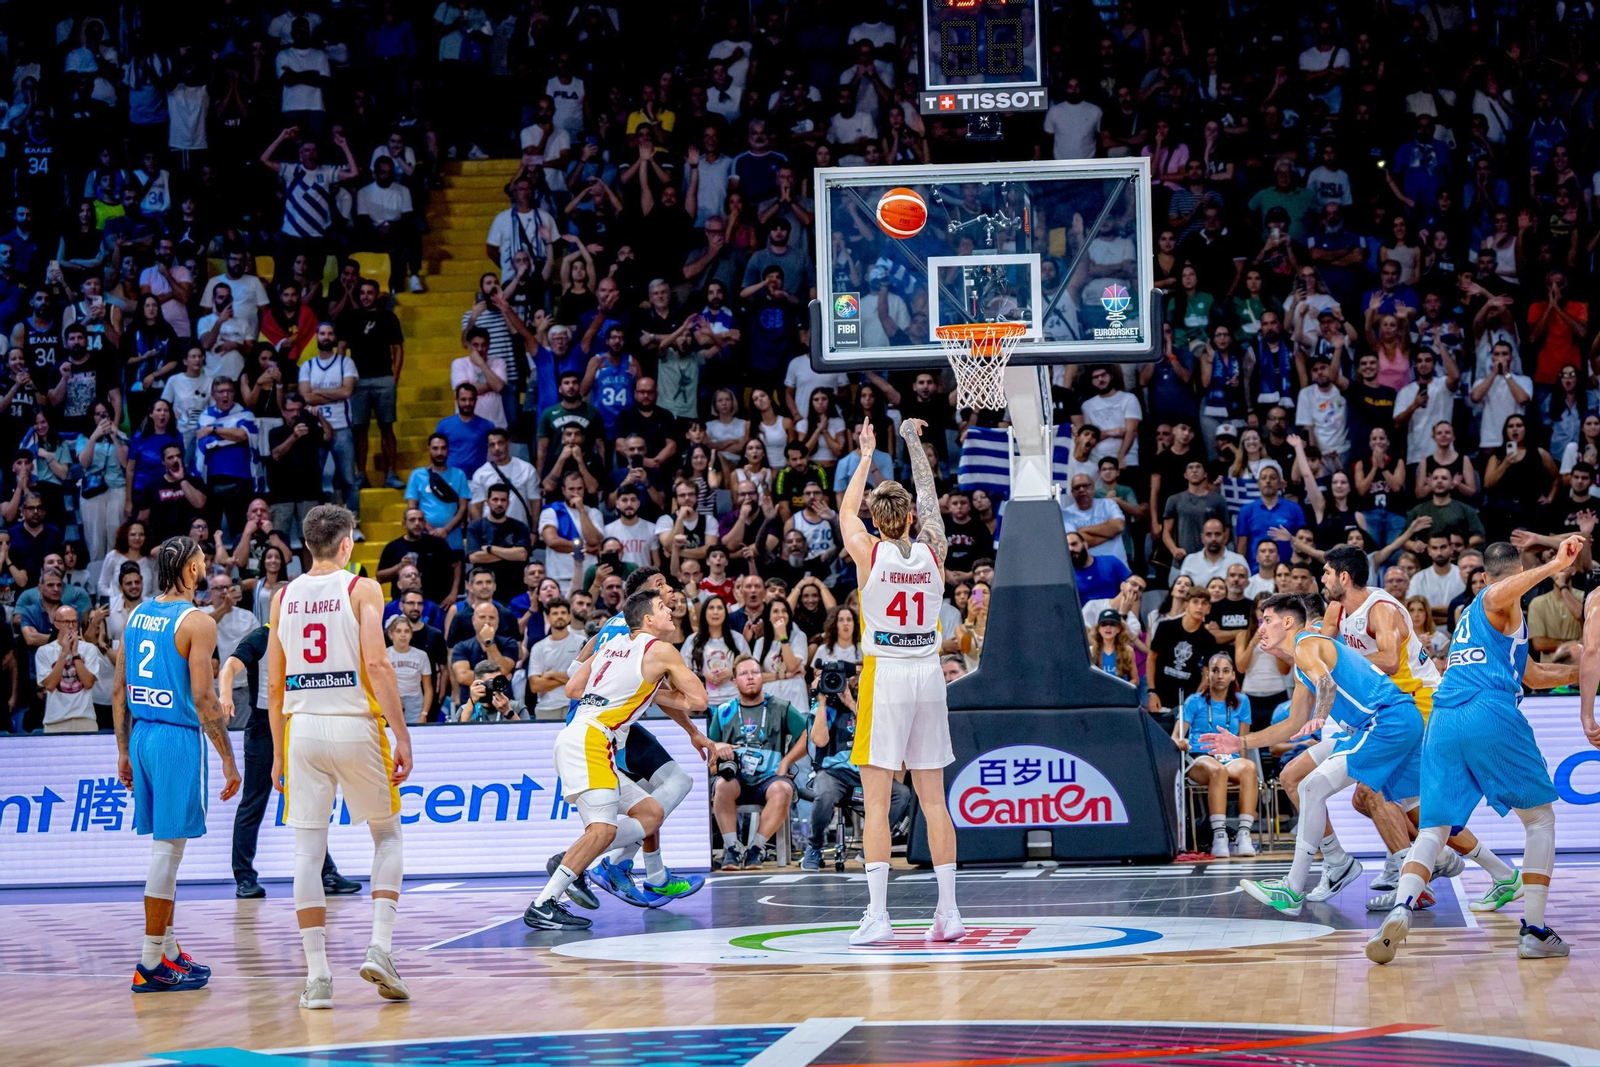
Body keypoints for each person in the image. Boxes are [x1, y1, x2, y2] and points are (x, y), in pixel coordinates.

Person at [1372, 537, 1588, 963]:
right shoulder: (1494, 597)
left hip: (1444, 719)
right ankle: (1535, 932)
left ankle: (1401, 907)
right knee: (1540, 817)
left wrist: (1586, 672)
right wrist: (1553, 565)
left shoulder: (1486, 621)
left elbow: (1534, 674)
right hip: (1485, 708)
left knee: (1435, 828)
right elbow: (1500, 591)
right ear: (1506, 574)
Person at [268, 505, 413, 1007]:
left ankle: (317, 978)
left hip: (301, 728)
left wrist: (278, 756)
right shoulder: (362, 589)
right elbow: (377, 662)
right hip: (354, 723)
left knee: (307, 854)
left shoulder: (281, 595)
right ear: (348, 543)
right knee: (387, 834)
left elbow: (273, 683)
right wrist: (403, 735)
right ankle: (379, 947)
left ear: (308, 545)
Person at [1206, 593, 1424, 917]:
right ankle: (1338, 862)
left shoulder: (1307, 643)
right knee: (1292, 776)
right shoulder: (1299, 666)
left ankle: (1294, 887)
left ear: (1288, 622)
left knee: (1314, 787)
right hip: (1373, 725)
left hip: (1386, 722)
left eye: (1267, 620)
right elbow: (1292, 724)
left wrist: (1321, 713)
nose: (1261, 628)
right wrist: (1241, 743)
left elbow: (1327, 685)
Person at [838, 416, 962, 946]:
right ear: (910, 516)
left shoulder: (867, 550)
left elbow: (846, 509)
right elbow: (931, 494)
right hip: (929, 675)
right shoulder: (933, 547)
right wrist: (912, 440)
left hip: (885, 676)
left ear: (876, 518)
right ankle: (949, 913)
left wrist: (867, 454)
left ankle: (879, 915)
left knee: (877, 798)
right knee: (934, 800)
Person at [524, 588, 711, 930]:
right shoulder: (662, 650)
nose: (670, 610)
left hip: (581, 735)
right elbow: (698, 699)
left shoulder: (610, 644)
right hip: (592, 740)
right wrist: (661, 691)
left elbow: (573, 689)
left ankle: (577, 861)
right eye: (662, 607)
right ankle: (545, 901)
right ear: (648, 619)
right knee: (602, 831)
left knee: (651, 813)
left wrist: (647, 690)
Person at [114, 535, 240, 992]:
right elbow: (206, 698)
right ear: (190, 570)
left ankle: (167, 949)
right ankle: (150, 963)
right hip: (175, 738)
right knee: (167, 852)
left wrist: (124, 749)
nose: (205, 565)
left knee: (169, 849)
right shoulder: (198, 622)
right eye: (202, 560)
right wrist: (228, 758)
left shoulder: (137, 614)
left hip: (143, 732)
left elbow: (117, 689)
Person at [219, 622, 355, 899]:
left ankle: (326, 873)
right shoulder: (261, 636)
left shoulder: (306, 632)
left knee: (309, 800)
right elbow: (229, 667)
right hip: (264, 728)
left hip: (301, 723)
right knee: (254, 802)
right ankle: (244, 878)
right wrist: (225, 694)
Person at [707, 655, 807, 869]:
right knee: (722, 785)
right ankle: (732, 849)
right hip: (736, 778)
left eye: (755, 672)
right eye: (744, 674)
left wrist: (787, 760)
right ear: (735, 681)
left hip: (769, 779)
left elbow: (808, 735)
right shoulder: (724, 711)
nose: (750, 677)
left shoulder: (781, 707)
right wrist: (718, 747)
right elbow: (708, 752)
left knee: (783, 789)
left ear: (762, 677)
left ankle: (756, 849)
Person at [1175, 654, 1257, 857]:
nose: (1220, 675)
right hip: (1199, 756)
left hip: (1229, 757)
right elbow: (1175, 736)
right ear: (1207, 674)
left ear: (1233, 676)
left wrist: (1243, 758)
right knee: (1217, 771)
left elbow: (1243, 740)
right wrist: (1181, 742)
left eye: (1225, 671)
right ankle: (1219, 836)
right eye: (1215, 670)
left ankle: (1244, 835)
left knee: (1249, 768)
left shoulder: (1242, 702)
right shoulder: (1194, 701)